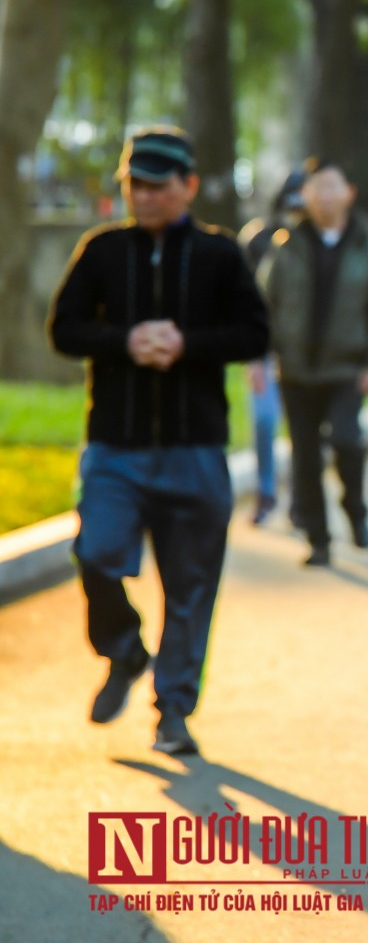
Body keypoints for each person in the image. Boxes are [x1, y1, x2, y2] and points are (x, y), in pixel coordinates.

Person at [47, 128, 271, 756]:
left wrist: (186, 345)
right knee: (96, 553)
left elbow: (253, 334)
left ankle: (174, 710)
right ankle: (123, 649)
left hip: (194, 449)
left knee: (191, 586)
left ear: (188, 186)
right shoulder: (100, 251)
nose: (143, 197)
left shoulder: (221, 256)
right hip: (115, 448)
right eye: (133, 186)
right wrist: (124, 341)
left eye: (156, 185)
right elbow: (63, 329)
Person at [259, 158, 368, 568]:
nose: (324, 195)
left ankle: (355, 509)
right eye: (315, 186)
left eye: (332, 186)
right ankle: (318, 538)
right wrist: (261, 355)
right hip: (297, 372)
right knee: (304, 456)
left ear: (349, 192)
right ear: (304, 194)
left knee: (345, 440)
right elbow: (267, 304)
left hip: (347, 370)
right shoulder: (287, 246)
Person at [237, 171, 306, 527]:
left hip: (307, 356)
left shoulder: (317, 245)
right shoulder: (259, 240)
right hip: (264, 351)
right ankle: (266, 493)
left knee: (305, 432)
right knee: (264, 423)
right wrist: (253, 356)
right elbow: (247, 301)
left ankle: (301, 500)